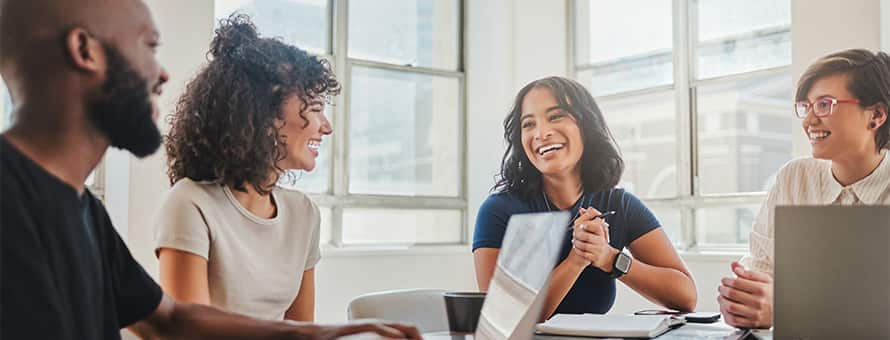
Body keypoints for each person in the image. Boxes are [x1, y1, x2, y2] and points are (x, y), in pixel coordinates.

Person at [0, 0, 419, 338]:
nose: (162, 73)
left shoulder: (83, 209)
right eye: (148, 46)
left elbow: (171, 320)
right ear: (85, 50)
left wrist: (318, 333)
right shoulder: (11, 201)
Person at [155, 14, 334, 322]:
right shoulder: (191, 204)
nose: (326, 127)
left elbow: (301, 331)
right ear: (265, 117)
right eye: (315, 109)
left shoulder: (304, 213)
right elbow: (191, 335)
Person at [473, 76, 697, 319]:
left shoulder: (618, 204)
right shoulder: (499, 210)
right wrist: (576, 260)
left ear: (586, 126)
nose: (541, 133)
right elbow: (502, 318)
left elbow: (686, 297)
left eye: (556, 116)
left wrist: (609, 257)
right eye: (528, 124)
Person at [717, 49, 890, 329]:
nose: (809, 121)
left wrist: (788, 308)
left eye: (824, 105)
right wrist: (745, 299)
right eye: (805, 107)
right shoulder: (794, 178)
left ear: (876, 115)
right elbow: (762, 270)